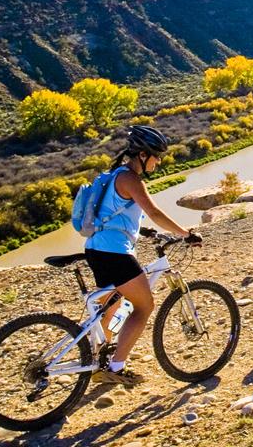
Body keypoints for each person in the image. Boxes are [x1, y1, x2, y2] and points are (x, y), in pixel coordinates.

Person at [85, 125, 200, 386]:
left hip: (96, 249)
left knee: (110, 306)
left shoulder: (116, 175)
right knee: (144, 306)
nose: (159, 161)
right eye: (156, 156)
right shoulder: (131, 180)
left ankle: (95, 361)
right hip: (115, 254)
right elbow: (156, 212)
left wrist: (142, 230)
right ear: (143, 155)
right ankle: (116, 367)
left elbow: (116, 212)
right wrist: (185, 233)